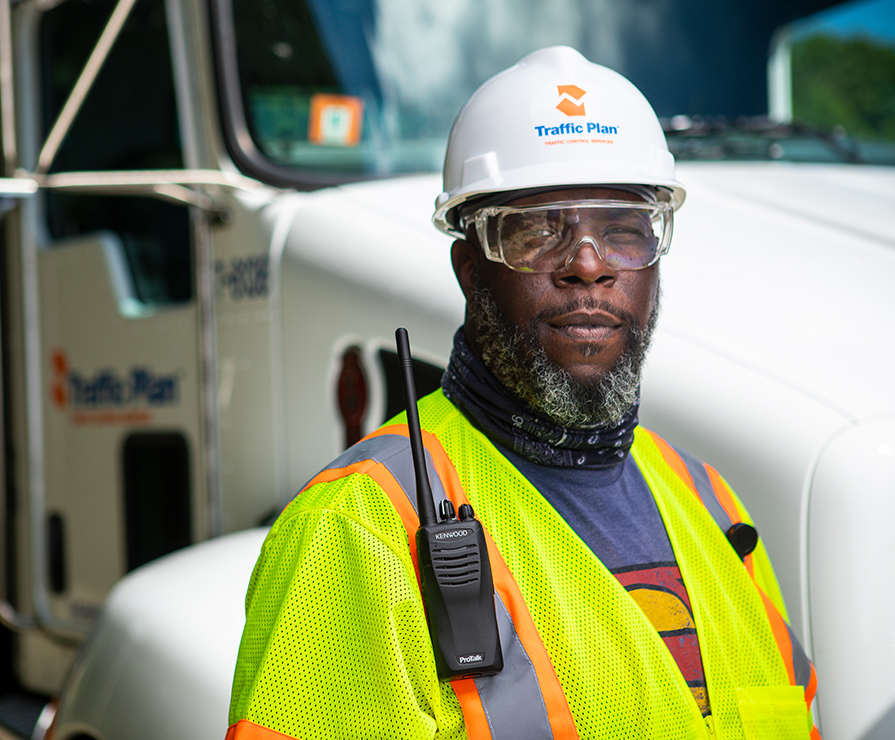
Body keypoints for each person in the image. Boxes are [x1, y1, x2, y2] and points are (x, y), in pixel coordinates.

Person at [226, 46, 818, 740]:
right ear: (470, 269)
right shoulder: (362, 528)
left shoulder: (714, 508)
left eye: (624, 231)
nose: (589, 265)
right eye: (538, 232)